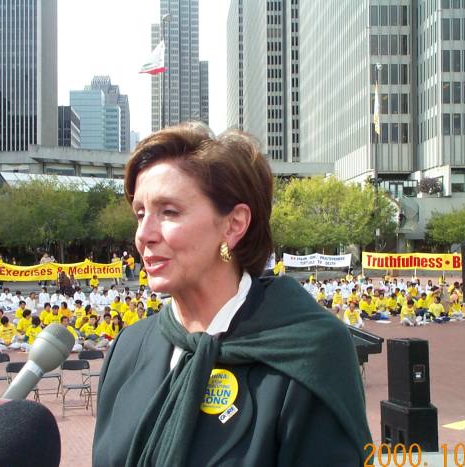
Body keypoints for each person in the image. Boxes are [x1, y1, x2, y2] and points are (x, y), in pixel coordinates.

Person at [93, 124, 370, 465]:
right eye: (140, 214)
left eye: (169, 212)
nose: (143, 234)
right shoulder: (128, 348)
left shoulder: (310, 355)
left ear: (234, 224)